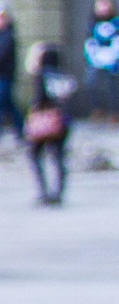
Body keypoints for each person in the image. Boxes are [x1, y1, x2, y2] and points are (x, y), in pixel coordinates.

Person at [25, 43, 73, 204]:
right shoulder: (63, 76)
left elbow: (39, 99)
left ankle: (43, 191)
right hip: (63, 121)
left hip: (45, 121)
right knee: (58, 156)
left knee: (34, 154)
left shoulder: (41, 76)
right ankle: (59, 192)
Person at [79, 0, 119, 121]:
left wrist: (114, 55)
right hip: (95, 60)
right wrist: (92, 55)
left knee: (114, 86)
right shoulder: (92, 23)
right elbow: (89, 41)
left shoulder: (117, 23)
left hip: (113, 60)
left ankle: (115, 112)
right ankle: (98, 110)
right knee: (92, 84)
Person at [0, 6, 19, 142]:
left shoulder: (8, 35)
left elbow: (3, 55)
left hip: (5, 75)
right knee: (9, 105)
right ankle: (21, 128)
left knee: (4, 104)